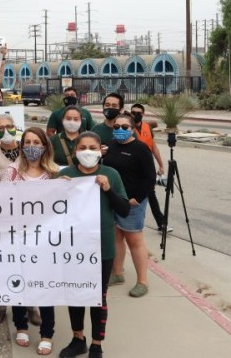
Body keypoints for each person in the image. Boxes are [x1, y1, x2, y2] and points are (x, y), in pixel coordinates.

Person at [57, 132, 130, 358]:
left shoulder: (111, 174)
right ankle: (78, 339)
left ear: (100, 150)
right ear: (75, 150)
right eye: (82, 147)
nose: (87, 151)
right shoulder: (66, 174)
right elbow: (49, 211)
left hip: (102, 246)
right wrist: (56, 190)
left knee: (98, 296)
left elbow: (124, 210)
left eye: (92, 147)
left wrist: (108, 189)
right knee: (76, 294)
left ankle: (97, 344)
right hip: (73, 246)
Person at [0, 127, 60, 356]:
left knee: (46, 287)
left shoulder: (55, 173)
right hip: (18, 239)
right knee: (19, 283)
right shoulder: (12, 172)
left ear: (45, 145)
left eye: (36, 142)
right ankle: (21, 326)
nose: (31, 146)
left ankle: (47, 333)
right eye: (27, 142)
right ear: (21, 145)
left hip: (46, 242)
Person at [0, 114, 41, 328]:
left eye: (10, 126)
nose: (6, 130)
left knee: (30, 264)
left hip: (30, 220)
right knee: (3, 264)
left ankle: (31, 306)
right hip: (3, 220)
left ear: (17, 128)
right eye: (1, 127)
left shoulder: (29, 153)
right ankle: (0, 306)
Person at [103, 113, 157, 298]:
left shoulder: (140, 149)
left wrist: (137, 198)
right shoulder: (109, 147)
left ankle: (142, 281)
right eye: (116, 127)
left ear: (133, 128)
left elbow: (150, 178)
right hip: (113, 199)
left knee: (134, 240)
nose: (120, 130)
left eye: (124, 127)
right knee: (116, 236)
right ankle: (117, 273)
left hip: (133, 203)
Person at [130, 103, 171, 233]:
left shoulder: (147, 127)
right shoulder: (127, 128)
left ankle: (161, 223)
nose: (135, 115)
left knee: (151, 194)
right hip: (132, 167)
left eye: (138, 113)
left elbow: (153, 147)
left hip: (147, 166)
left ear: (143, 114)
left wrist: (161, 165)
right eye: (133, 112)